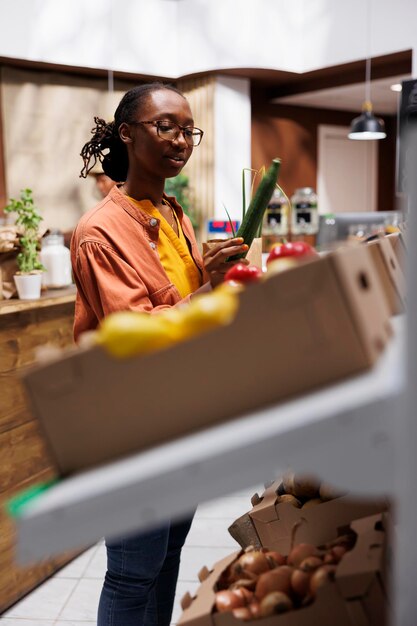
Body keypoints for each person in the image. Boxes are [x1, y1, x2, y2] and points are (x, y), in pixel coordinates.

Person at [71, 82, 249, 626]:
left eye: (187, 130)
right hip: (130, 427)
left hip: (178, 416)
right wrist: (205, 291)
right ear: (127, 134)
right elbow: (135, 335)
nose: (180, 140)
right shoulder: (99, 232)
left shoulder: (173, 214)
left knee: (167, 555)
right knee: (131, 572)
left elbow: (193, 315)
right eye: (164, 126)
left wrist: (222, 281)